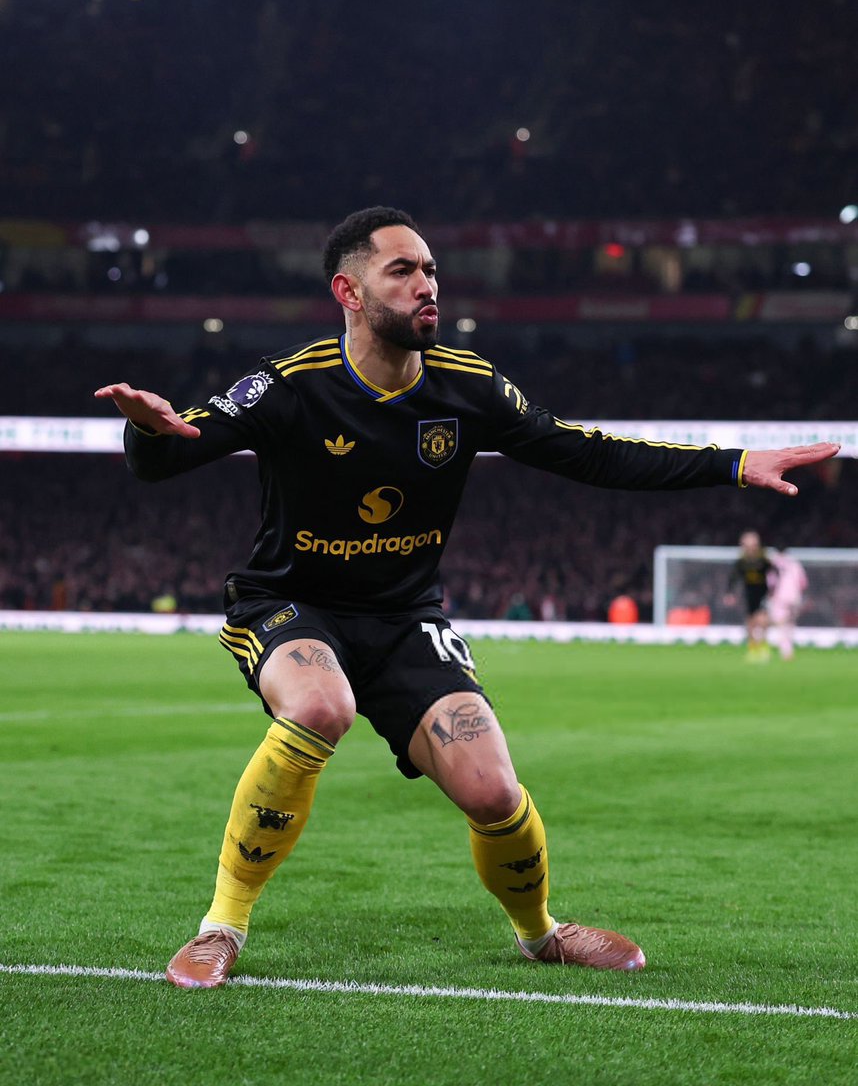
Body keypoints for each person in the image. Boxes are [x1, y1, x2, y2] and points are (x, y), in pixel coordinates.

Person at [95, 207, 839, 989]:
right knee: (320, 707)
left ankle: (540, 931)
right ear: (349, 291)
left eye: (432, 271)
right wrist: (146, 430)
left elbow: (586, 453)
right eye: (404, 272)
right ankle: (223, 925)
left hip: (405, 617)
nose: (428, 286)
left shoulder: (470, 386)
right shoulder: (291, 384)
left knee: (493, 791)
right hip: (290, 605)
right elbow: (175, 449)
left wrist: (733, 463)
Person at [724, 530, 775, 661]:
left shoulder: (763, 560)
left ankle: (763, 646)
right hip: (749, 594)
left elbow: (775, 573)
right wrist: (729, 593)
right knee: (751, 622)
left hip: (763, 593)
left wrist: (775, 589)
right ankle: (753, 648)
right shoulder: (742, 562)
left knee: (762, 620)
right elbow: (733, 578)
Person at [766, 549, 808, 660]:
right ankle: (788, 648)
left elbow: (771, 582)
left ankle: (786, 650)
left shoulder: (773, 563)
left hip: (779, 597)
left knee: (780, 625)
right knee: (790, 625)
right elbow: (803, 583)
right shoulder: (795, 564)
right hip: (794, 597)